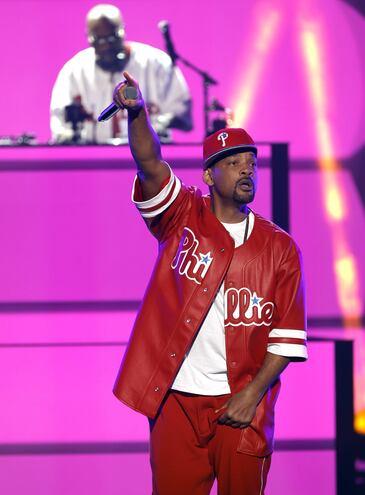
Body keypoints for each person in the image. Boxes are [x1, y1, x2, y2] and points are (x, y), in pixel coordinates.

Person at [112, 71, 307, 495]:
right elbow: (148, 162)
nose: (246, 171)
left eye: (251, 164)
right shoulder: (181, 216)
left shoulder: (280, 247)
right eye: (234, 163)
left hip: (240, 403)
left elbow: (287, 339)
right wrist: (138, 113)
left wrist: (251, 396)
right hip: (176, 400)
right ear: (209, 174)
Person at [50, 4, 192, 144]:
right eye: (98, 40)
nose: (106, 46)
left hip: (149, 158)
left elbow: (182, 113)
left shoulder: (157, 63)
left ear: (122, 31)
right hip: (92, 161)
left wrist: (157, 124)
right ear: (88, 37)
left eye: (112, 38)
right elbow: (59, 124)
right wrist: (69, 137)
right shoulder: (74, 70)